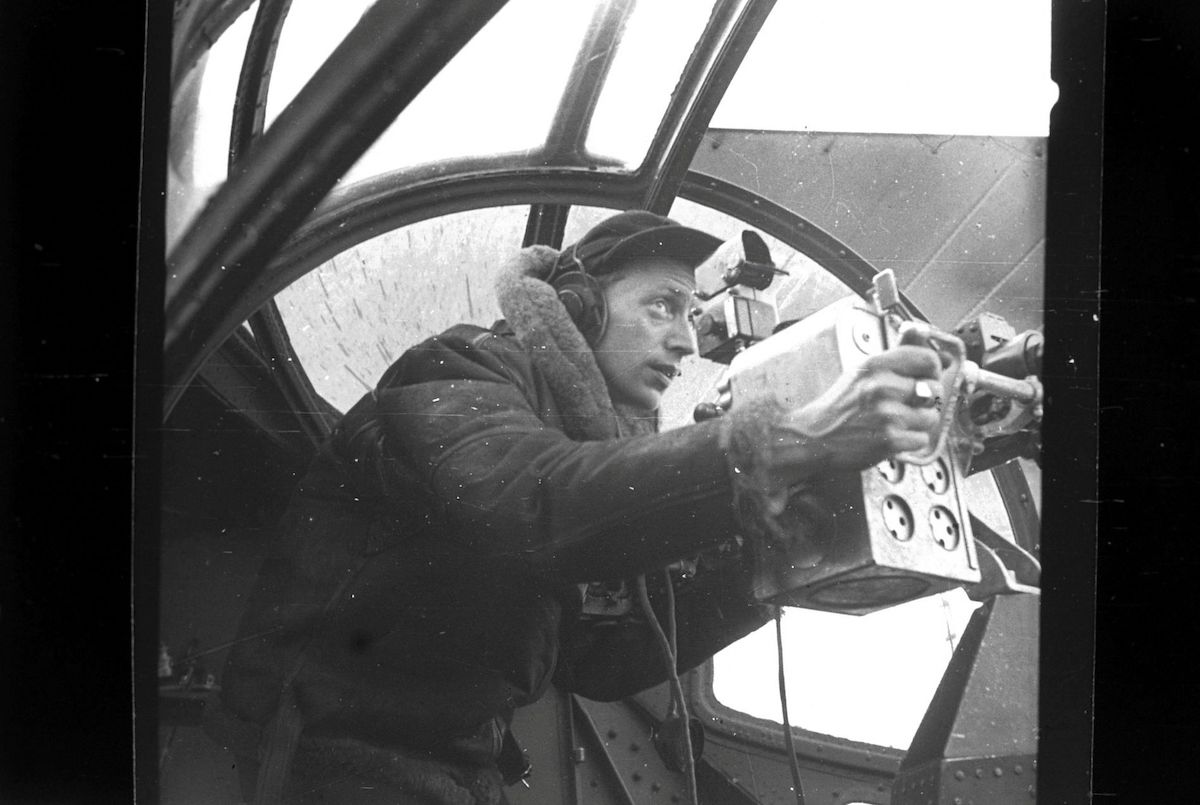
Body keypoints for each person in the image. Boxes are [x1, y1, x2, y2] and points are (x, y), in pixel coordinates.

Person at [207, 210, 943, 804]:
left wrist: (772, 556)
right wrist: (777, 445)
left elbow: (603, 657)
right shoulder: (457, 368)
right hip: (335, 757)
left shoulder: (585, 450)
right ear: (580, 308)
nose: (687, 339)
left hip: (462, 772)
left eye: (691, 315)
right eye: (662, 306)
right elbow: (535, 503)